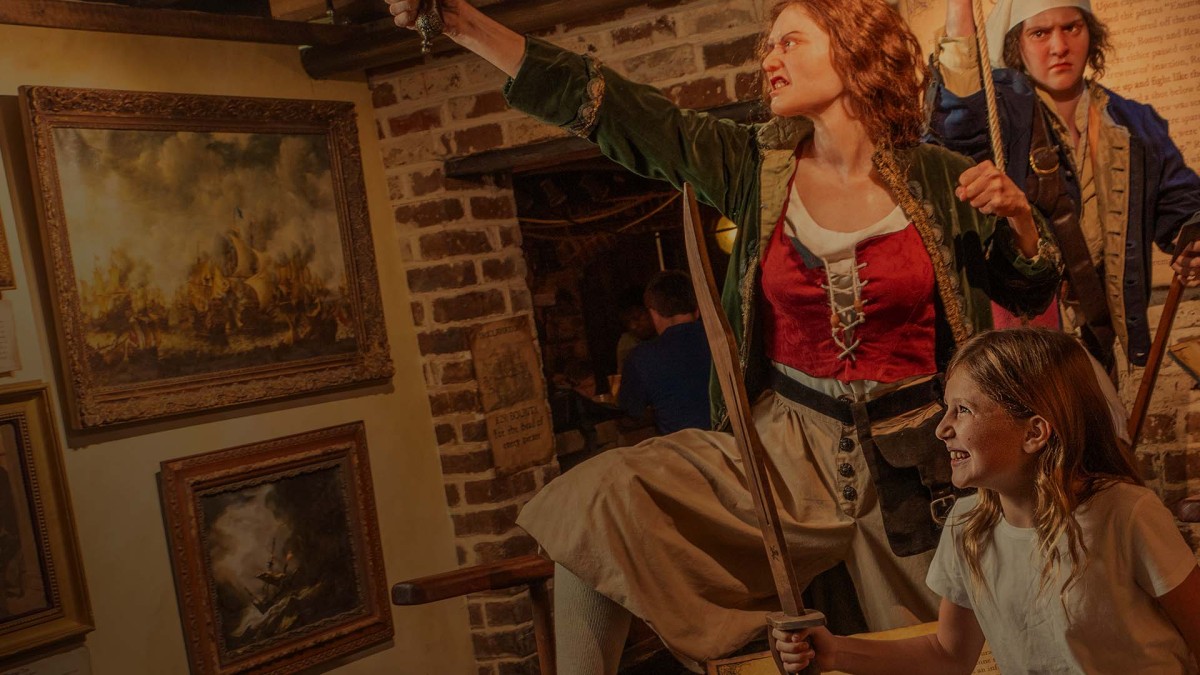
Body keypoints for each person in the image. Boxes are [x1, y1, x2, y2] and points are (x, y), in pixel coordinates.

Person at [387, 0, 1060, 672]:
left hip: (920, 469)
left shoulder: (938, 178)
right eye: (767, 47)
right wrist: (458, 20)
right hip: (783, 458)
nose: (770, 58)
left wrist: (1023, 222)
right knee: (593, 503)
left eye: (790, 42)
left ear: (854, 48)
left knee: (957, 657)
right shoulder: (754, 170)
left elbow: (1026, 293)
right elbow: (616, 108)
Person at [772, 327, 1200, 673]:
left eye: (963, 410)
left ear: (1034, 432)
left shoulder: (1126, 514)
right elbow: (948, 654)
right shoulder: (967, 525)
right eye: (947, 409)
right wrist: (834, 654)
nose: (942, 430)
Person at [927, 0, 1200, 371]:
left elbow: (1182, 206)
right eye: (1040, 33)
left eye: (1071, 28)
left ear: (1091, 33)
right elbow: (958, 121)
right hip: (1026, 339)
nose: (1059, 47)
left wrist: (1194, 242)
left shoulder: (1137, 123)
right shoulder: (1004, 112)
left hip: (1103, 338)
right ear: (1016, 44)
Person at [618, 270, 713, 435]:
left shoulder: (641, 358)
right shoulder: (726, 340)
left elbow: (628, 417)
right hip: (738, 448)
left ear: (653, 314)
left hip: (685, 454)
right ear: (697, 309)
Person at [615, 287, 656, 376]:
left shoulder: (668, 335)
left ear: (652, 311)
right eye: (627, 322)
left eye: (637, 318)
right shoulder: (627, 343)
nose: (633, 326)